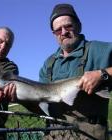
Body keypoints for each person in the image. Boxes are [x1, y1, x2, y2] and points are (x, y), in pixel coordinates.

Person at [39, 3, 112, 140]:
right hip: (53, 134)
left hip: (89, 135)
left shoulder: (99, 50)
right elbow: (40, 106)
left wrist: (103, 74)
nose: (64, 32)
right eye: (58, 30)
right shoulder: (48, 64)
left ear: (78, 25)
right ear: (54, 34)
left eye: (68, 26)